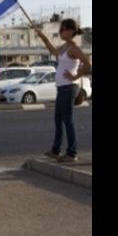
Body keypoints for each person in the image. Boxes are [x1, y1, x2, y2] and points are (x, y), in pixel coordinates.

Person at [34, 19, 92, 162]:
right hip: (61, 88)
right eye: (60, 29)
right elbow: (53, 51)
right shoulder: (64, 46)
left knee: (68, 121)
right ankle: (56, 150)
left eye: (63, 29)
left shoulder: (73, 48)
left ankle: (72, 153)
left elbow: (88, 64)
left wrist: (75, 76)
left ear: (71, 31)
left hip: (69, 87)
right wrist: (43, 37)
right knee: (58, 120)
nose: (61, 32)